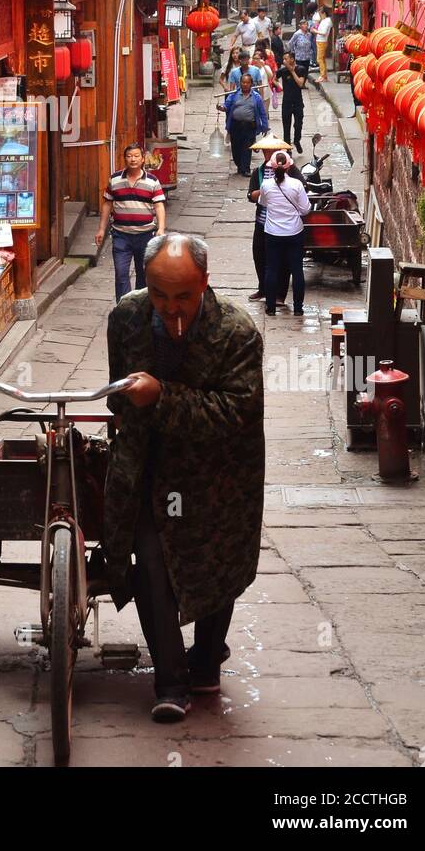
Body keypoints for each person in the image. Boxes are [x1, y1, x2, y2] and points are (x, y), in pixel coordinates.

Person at [104, 232, 265, 721]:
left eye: (183, 297)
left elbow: (236, 411)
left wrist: (162, 398)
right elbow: (117, 397)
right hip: (150, 470)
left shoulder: (237, 333)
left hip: (219, 475)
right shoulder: (126, 319)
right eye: (159, 295)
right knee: (151, 563)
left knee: (218, 568)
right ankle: (170, 682)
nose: (170, 309)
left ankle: (206, 659)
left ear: (205, 284)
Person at [96, 145, 166, 303]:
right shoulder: (115, 179)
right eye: (129, 156)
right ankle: (124, 309)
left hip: (146, 235)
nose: (133, 159)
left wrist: (161, 228)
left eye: (136, 156)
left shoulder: (152, 181)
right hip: (121, 235)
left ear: (142, 159)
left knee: (144, 274)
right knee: (121, 274)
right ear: (125, 158)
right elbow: (107, 203)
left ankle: (140, 307)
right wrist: (101, 229)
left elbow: (159, 205)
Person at [247, 136, 304, 303]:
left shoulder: (290, 169)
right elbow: (251, 195)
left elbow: (302, 187)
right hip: (263, 222)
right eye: (265, 151)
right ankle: (263, 289)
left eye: (271, 151)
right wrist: (261, 192)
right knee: (259, 255)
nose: (268, 154)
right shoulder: (258, 172)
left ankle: (280, 294)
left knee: (283, 261)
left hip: (283, 224)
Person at [260, 151, 312, 316]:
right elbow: (305, 210)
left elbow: (263, 203)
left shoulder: (266, 185)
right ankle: (298, 308)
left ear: (272, 167)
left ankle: (270, 307)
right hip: (294, 232)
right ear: (289, 165)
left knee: (271, 269)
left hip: (273, 232)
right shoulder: (296, 185)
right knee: (297, 269)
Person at [221, 74, 269, 176]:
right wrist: (221, 107)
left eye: (247, 83)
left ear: (251, 84)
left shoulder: (256, 97)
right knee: (236, 148)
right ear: (240, 83)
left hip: (249, 126)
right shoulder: (234, 95)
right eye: (243, 82)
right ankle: (240, 166)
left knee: (247, 148)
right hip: (236, 125)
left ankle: (246, 169)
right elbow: (227, 105)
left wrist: (265, 126)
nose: (245, 84)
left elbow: (262, 112)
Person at [279, 51, 307, 154]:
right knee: (286, 125)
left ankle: (297, 140)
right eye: (283, 59)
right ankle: (287, 147)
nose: (284, 61)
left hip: (298, 102)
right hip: (286, 102)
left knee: (298, 124)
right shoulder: (282, 71)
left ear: (292, 59)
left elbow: (300, 83)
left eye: (286, 59)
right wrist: (279, 86)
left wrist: (292, 71)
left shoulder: (301, 69)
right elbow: (273, 78)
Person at [315, 6, 333, 82]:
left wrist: (315, 31)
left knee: (319, 59)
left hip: (322, 41)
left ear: (324, 13)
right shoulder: (324, 20)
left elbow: (324, 33)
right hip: (320, 41)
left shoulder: (327, 21)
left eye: (320, 14)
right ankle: (324, 75)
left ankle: (322, 75)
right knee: (322, 59)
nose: (320, 15)